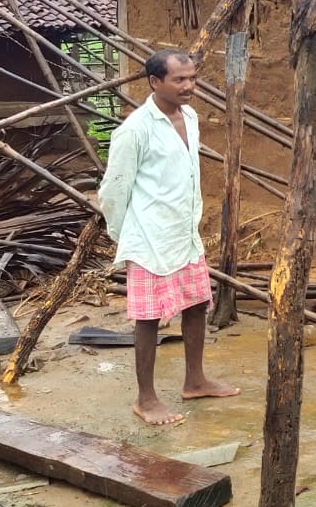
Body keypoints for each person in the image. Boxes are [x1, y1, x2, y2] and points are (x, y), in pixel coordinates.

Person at [98, 48, 239, 425]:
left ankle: (195, 380)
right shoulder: (134, 130)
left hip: (183, 234)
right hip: (149, 237)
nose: (189, 86)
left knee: (195, 304)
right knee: (147, 318)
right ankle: (146, 399)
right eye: (179, 80)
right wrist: (123, 236)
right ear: (154, 82)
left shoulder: (189, 117)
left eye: (192, 78)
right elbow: (113, 190)